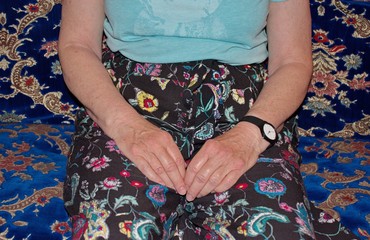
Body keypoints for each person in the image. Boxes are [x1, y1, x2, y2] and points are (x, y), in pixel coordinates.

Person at [59, 1, 359, 239]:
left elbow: (292, 61)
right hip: (125, 104)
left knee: (274, 229)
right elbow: (77, 46)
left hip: (245, 113)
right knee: (113, 228)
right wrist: (127, 127)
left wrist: (250, 136)